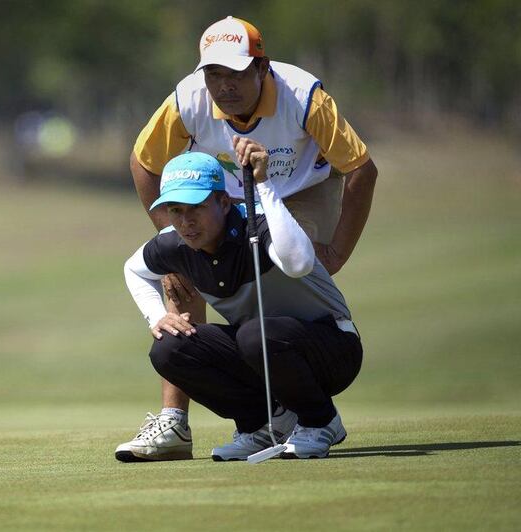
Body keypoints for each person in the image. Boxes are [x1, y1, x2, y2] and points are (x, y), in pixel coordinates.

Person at [118, 15, 377, 460]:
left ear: (261, 67)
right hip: (213, 195)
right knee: (181, 283)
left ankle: (309, 409)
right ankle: (187, 423)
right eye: (214, 74)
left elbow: (360, 169)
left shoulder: (303, 97)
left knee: (280, 275)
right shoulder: (188, 100)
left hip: (300, 187)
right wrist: (177, 238)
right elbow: (144, 162)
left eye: (236, 72)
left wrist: (335, 253)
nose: (225, 85)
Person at [116, 145, 362, 462]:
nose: (185, 221)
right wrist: (157, 316)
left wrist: (265, 187)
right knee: (170, 347)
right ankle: (260, 424)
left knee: (253, 334)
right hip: (262, 351)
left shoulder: (259, 223)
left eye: (195, 207)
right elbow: (134, 269)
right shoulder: (176, 242)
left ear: (223, 201)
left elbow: (298, 262)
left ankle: (321, 421)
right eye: (175, 210)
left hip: (333, 349)